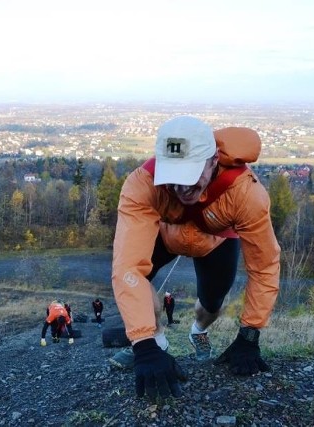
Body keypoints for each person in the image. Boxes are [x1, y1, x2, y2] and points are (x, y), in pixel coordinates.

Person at [111, 115, 280, 400]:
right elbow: (128, 267)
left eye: (190, 175)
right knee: (138, 279)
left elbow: (263, 265)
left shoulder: (246, 193)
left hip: (215, 242)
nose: (181, 188)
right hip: (166, 235)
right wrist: (144, 343)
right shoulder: (142, 184)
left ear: (213, 160)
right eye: (173, 176)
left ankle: (198, 330)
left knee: (211, 303)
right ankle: (158, 341)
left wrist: (250, 334)